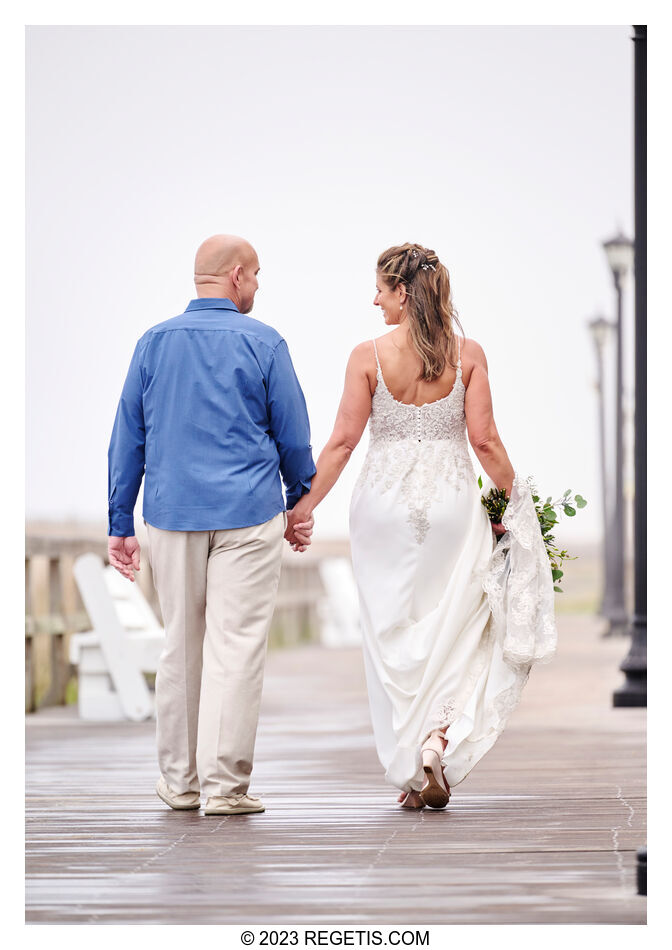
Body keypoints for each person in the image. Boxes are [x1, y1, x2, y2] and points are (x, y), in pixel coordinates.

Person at [287, 242, 555, 809]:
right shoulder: (469, 354)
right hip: (451, 506)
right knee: (455, 628)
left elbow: (340, 442)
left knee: (392, 638)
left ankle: (415, 762)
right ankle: (436, 742)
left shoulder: (367, 356)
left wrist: (304, 508)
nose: (375, 299)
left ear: (402, 292)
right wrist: (517, 502)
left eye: (381, 289)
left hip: (382, 509)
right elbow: (484, 441)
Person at [107, 234, 316, 816]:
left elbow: (128, 437)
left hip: (171, 514)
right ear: (238, 276)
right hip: (248, 514)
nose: (257, 286)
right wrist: (300, 501)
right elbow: (292, 435)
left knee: (180, 644)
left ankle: (179, 783)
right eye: (256, 276)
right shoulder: (266, 343)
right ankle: (225, 788)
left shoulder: (152, 344)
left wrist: (119, 521)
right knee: (237, 647)